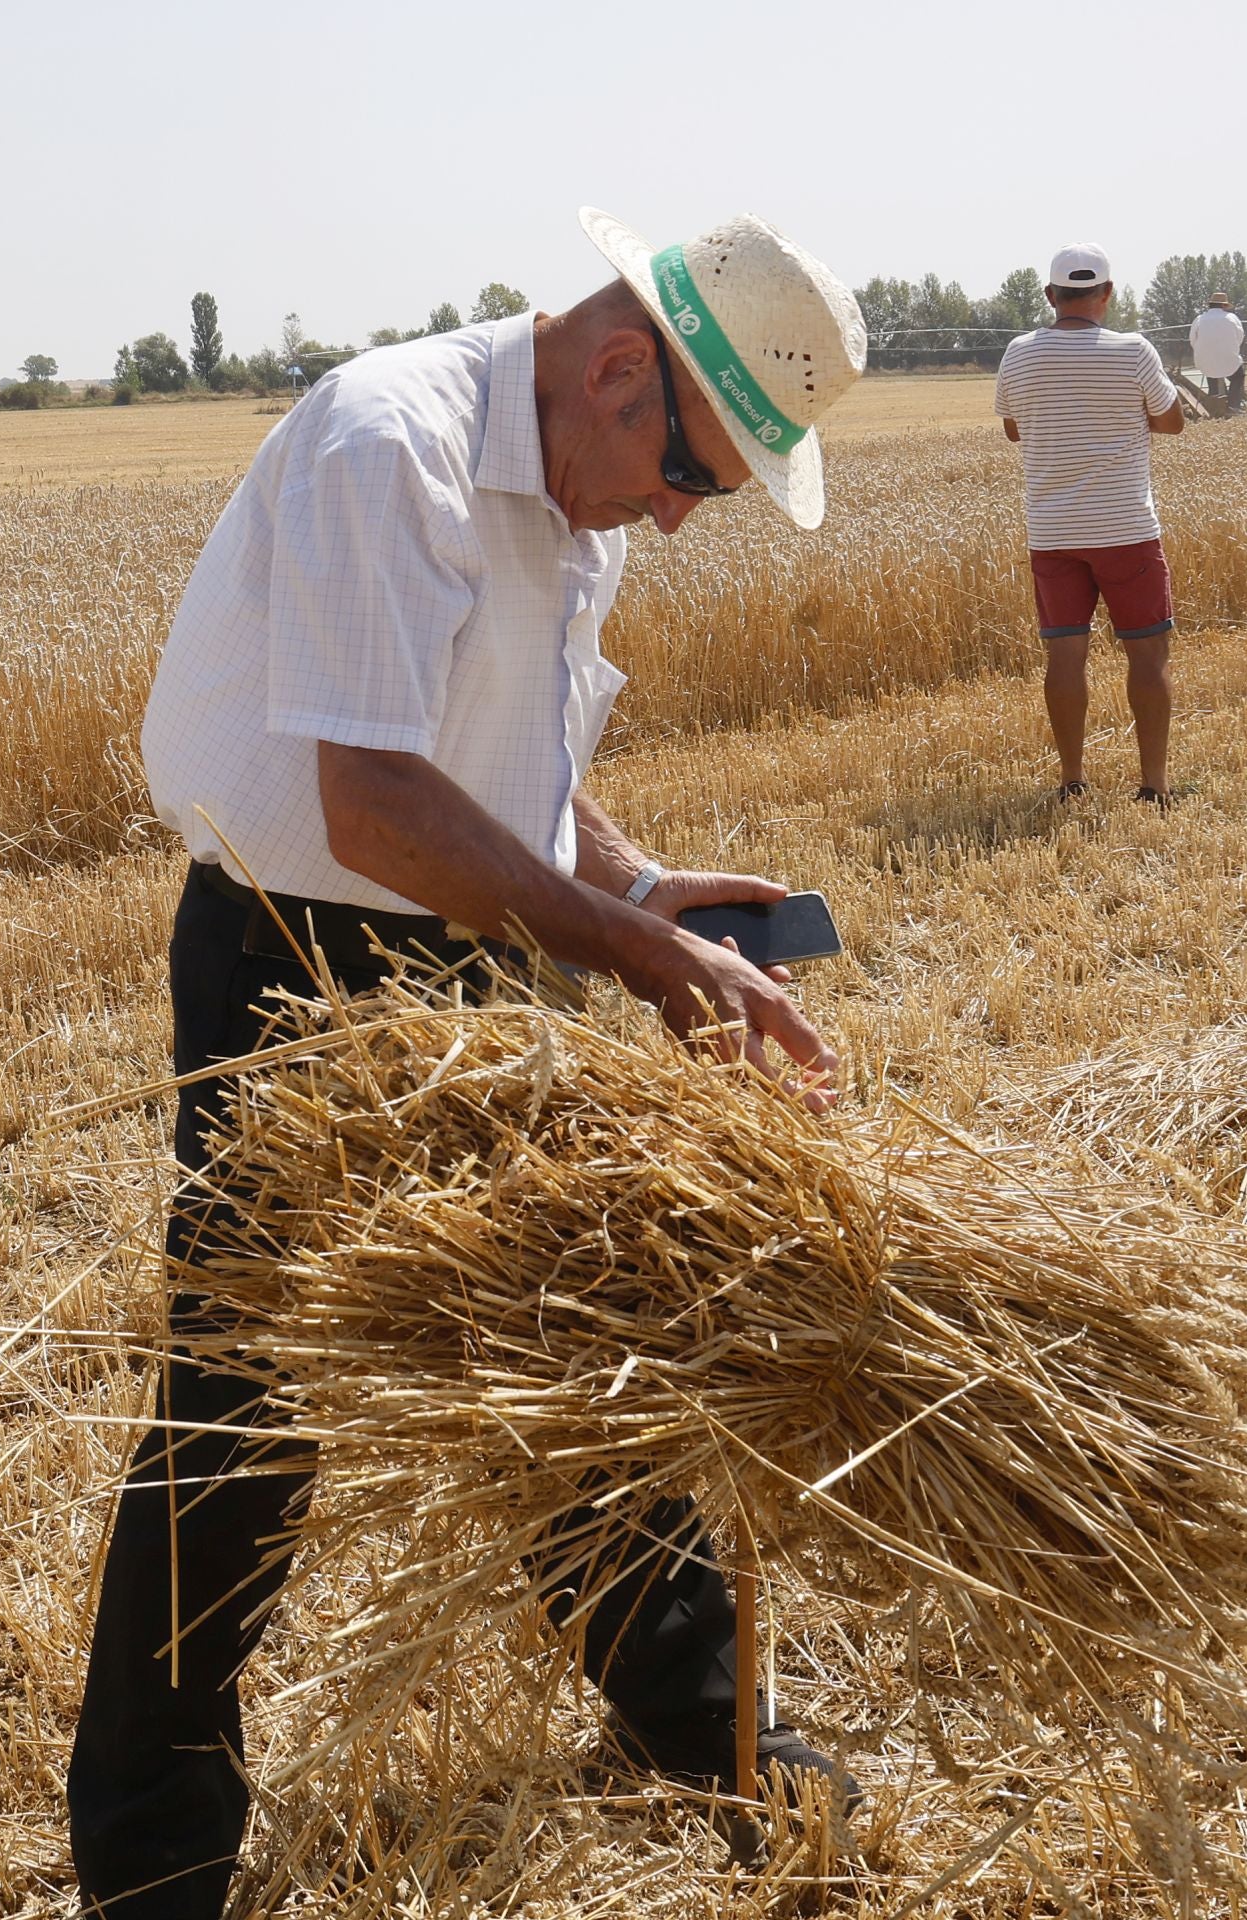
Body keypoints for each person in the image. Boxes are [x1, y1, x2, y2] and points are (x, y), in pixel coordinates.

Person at [67, 207, 867, 1920]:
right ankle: (151, 1862)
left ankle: (702, 1728)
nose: (677, 515)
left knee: (575, 1335)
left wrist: (634, 884)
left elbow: (501, 758)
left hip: (473, 947)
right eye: (694, 476)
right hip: (296, 971)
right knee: (249, 1405)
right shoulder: (391, 450)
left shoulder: (579, 483)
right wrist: (640, 958)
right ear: (618, 371)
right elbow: (372, 804)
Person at [995, 242, 1184, 807]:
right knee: (1148, 656)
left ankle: (1072, 780)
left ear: (1050, 296)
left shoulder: (1019, 353)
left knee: (1065, 657)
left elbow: (1014, 429)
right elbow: (1172, 422)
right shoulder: (1134, 351)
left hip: (1052, 534)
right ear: (1108, 293)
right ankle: (1154, 785)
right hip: (1125, 528)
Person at [1189, 290, 1246, 416]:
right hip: (1229, 358)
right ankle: (1233, 407)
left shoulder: (1199, 319)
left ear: (1210, 305)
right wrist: (1231, 349)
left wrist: (1202, 351)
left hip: (1205, 360)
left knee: (1212, 374)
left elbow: (1193, 339)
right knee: (1238, 376)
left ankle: (1214, 405)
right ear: (1224, 305)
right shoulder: (1232, 318)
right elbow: (1240, 337)